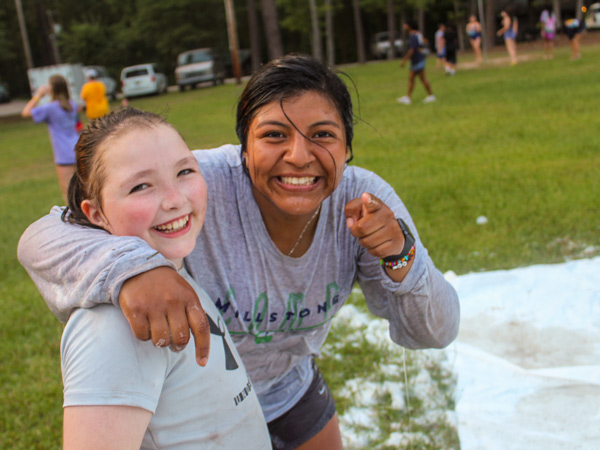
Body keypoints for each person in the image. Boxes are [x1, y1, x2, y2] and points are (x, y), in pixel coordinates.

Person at [18, 54, 460, 450]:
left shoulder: (364, 201)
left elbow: (436, 332)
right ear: (243, 150)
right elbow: (42, 236)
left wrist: (401, 255)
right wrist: (134, 269)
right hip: (205, 407)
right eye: (273, 135)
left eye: (323, 135)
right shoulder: (197, 183)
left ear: (347, 149)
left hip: (292, 387)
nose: (299, 155)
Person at [57, 107, 272, 449]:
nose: (175, 199)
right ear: (96, 213)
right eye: (141, 186)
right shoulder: (115, 325)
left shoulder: (171, 272)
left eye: (184, 171)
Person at [21, 74, 78, 203]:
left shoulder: (50, 108)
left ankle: (74, 220)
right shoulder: (72, 105)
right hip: (77, 148)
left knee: (68, 193)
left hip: (63, 154)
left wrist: (38, 95)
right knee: (81, 189)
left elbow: (26, 112)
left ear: (52, 89)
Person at [398, 20, 436, 105]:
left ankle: (410, 97)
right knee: (416, 79)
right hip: (419, 59)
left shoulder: (413, 36)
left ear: (409, 26)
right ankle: (409, 97)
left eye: (406, 25)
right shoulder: (418, 34)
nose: (404, 26)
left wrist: (404, 60)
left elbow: (412, 49)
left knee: (416, 79)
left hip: (417, 60)